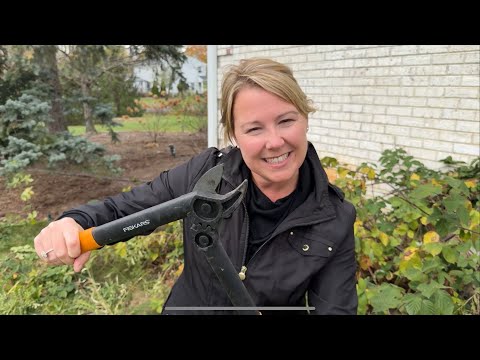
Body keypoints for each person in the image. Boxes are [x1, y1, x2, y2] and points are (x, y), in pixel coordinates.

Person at [34, 58, 358, 315]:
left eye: (286, 120)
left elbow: (336, 308)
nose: (275, 142)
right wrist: (74, 222)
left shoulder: (335, 219)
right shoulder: (205, 174)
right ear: (235, 135)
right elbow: (126, 208)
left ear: (305, 118)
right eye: (254, 128)